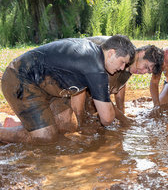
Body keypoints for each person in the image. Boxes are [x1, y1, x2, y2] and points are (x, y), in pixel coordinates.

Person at [0, 35, 135, 144]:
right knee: (46, 137)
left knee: (67, 126)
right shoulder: (96, 68)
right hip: (20, 79)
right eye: (122, 62)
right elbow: (106, 119)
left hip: (49, 87)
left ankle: (22, 125)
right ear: (111, 53)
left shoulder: (93, 55)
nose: (122, 68)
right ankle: (6, 131)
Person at [87, 36, 164, 115]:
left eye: (148, 72)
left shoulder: (133, 62)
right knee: (92, 106)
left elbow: (120, 84)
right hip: (79, 63)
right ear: (142, 53)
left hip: (90, 72)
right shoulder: (121, 56)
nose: (143, 72)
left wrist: (121, 111)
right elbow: (101, 96)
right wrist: (125, 121)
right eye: (146, 67)